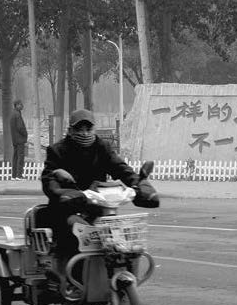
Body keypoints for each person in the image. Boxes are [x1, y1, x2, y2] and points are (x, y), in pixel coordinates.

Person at [40, 109, 159, 259]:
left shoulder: (102, 147)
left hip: (97, 208)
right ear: (70, 130)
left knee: (120, 243)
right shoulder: (57, 151)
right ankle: (70, 277)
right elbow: (49, 180)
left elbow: (121, 168)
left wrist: (139, 183)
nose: (84, 134)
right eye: (79, 129)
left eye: (88, 129)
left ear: (94, 129)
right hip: (67, 208)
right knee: (75, 230)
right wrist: (62, 192)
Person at [10, 99, 28, 180]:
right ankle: (19, 175)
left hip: (14, 139)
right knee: (20, 157)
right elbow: (20, 127)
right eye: (21, 104)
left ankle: (14, 175)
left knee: (15, 157)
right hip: (20, 139)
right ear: (17, 105)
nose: (22, 106)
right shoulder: (17, 115)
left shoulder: (13, 114)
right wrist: (25, 134)